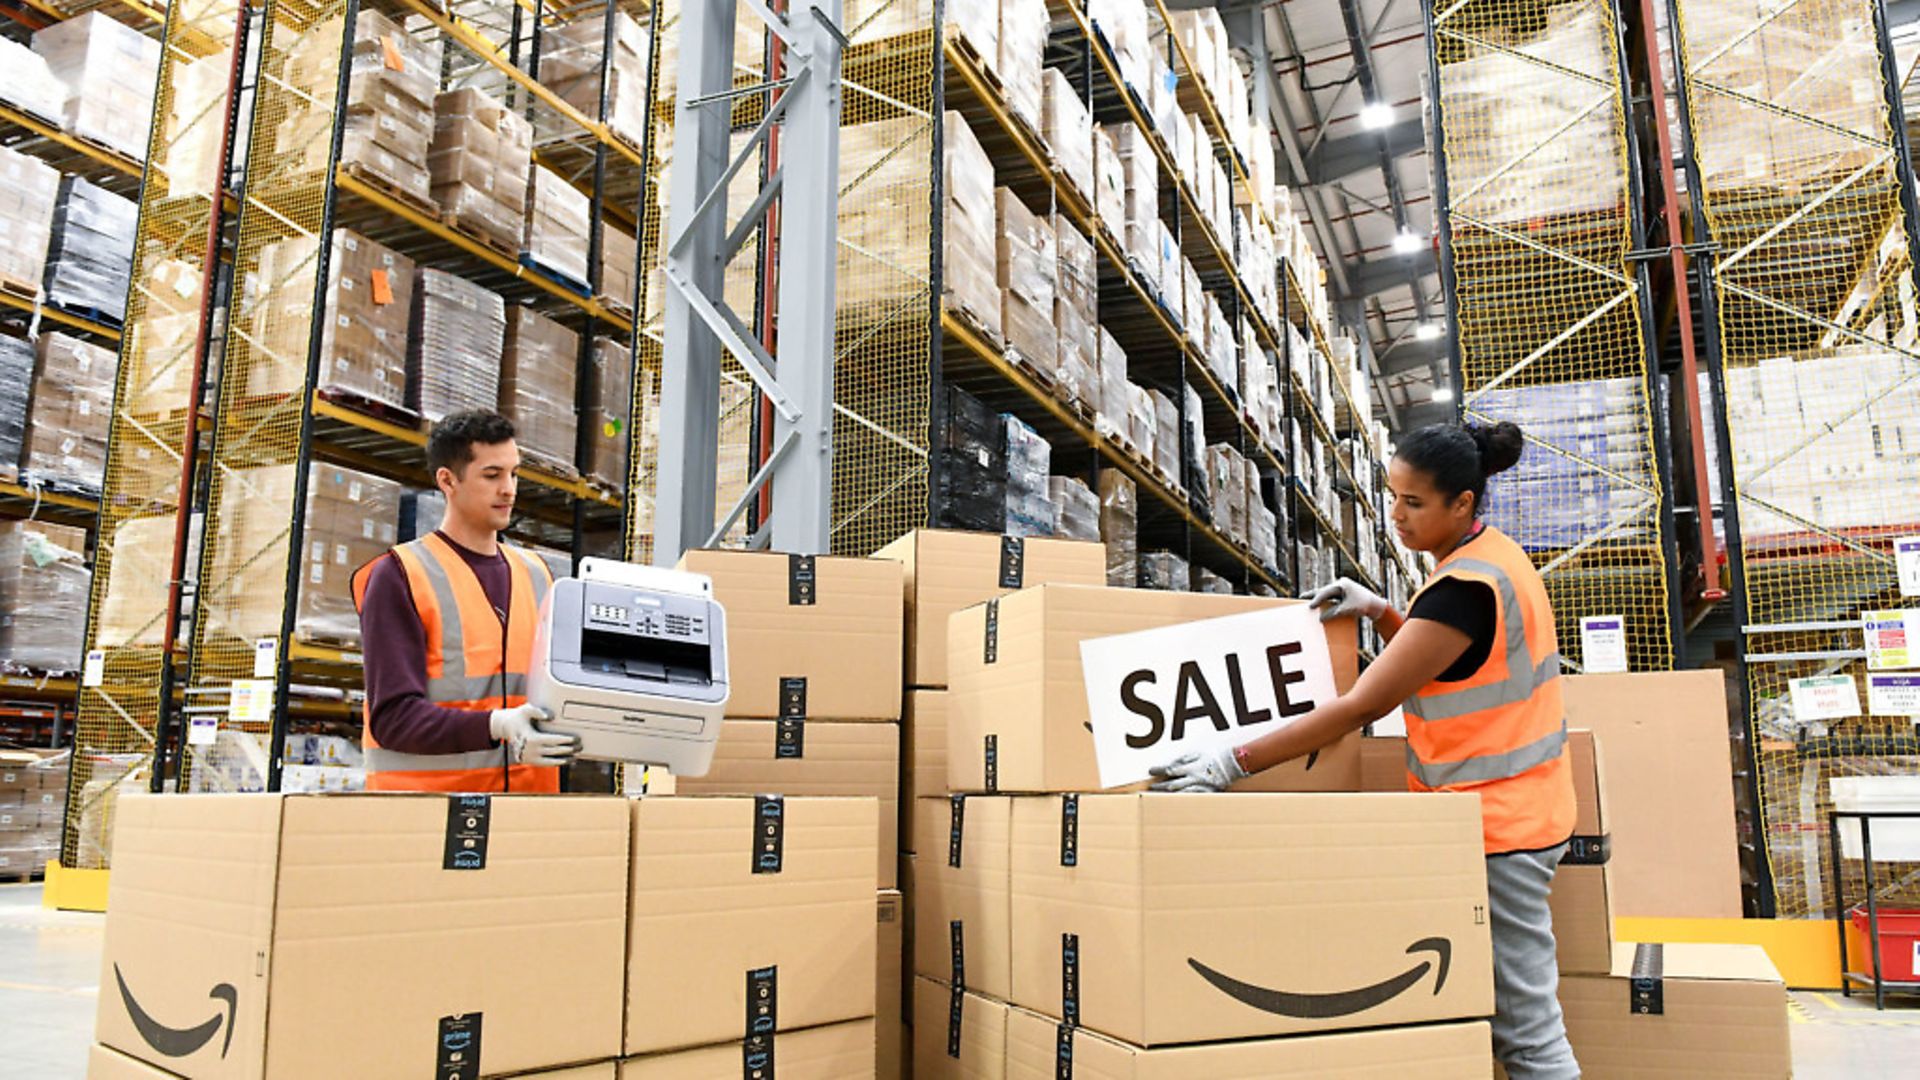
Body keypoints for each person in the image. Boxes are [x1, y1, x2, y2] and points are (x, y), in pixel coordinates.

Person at [1149, 420, 1580, 1080]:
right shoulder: (1493, 558)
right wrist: (1381, 611)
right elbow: (1453, 660)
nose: (1397, 516)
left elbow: (1362, 705)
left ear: (1462, 503)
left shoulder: (1464, 589)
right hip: (1515, 812)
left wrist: (1230, 762)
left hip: (1501, 831)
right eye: (1391, 496)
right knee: (1510, 1021)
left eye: (1414, 503)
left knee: (1528, 1037)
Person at [350, 409, 578, 792]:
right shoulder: (401, 575)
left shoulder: (538, 575)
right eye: (492, 475)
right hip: (433, 817)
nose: (509, 489)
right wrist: (497, 725)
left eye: (514, 473)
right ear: (448, 480)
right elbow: (392, 718)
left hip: (527, 815)